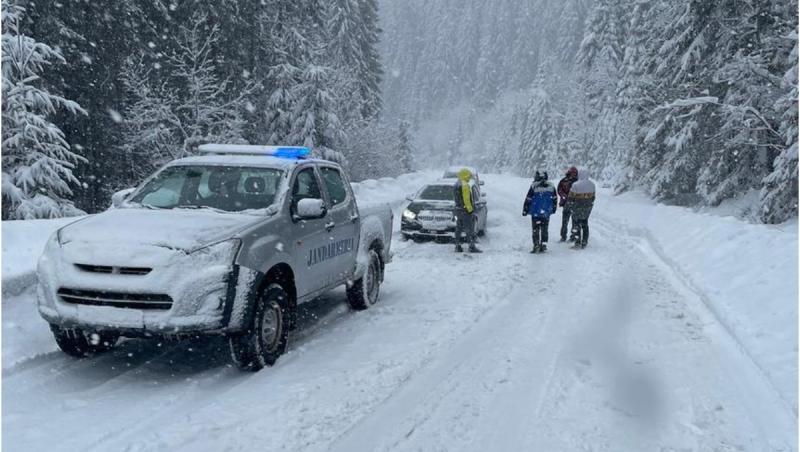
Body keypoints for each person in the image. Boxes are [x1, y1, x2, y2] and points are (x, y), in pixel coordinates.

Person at [522, 170, 557, 253]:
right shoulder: (551, 186)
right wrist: (553, 209)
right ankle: (544, 244)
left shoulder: (534, 186)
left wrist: (525, 209)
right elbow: (555, 198)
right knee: (545, 228)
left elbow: (528, 199)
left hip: (535, 212)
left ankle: (536, 245)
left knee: (536, 229)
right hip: (546, 212)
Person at [453, 168, 482, 253]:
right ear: (465, 175)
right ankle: (471, 246)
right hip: (465, 211)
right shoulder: (465, 185)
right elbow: (466, 199)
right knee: (469, 229)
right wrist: (470, 210)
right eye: (469, 176)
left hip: (458, 210)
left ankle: (457, 246)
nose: (469, 178)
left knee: (458, 229)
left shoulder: (456, 184)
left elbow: (456, 198)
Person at [566, 168, 596, 249]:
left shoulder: (576, 185)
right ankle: (584, 241)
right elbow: (593, 198)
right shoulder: (592, 185)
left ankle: (577, 242)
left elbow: (570, 198)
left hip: (577, 208)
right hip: (587, 208)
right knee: (585, 224)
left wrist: (570, 206)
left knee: (576, 225)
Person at [557, 166, 578, 242]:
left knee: (573, 221)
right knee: (565, 221)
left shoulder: (577, 181)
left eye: (575, 173)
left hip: (574, 204)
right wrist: (564, 196)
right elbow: (559, 190)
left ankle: (573, 236)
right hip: (567, 203)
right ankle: (564, 236)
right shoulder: (564, 180)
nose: (573, 174)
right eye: (572, 173)